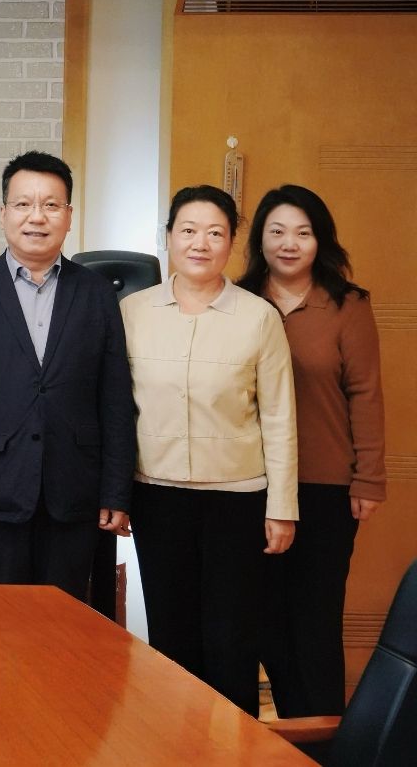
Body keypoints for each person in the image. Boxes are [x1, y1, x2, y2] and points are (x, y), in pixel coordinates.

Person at [121, 184, 297, 716]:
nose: (200, 243)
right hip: (157, 495)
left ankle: (234, 747)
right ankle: (176, 745)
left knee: (231, 640)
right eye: (189, 230)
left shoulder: (259, 317)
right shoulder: (132, 311)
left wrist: (282, 507)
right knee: (171, 636)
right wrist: (115, 495)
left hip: (237, 500)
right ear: (168, 236)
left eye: (215, 233)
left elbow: (279, 417)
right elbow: (115, 410)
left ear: (232, 242)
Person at [0, 151, 136, 600]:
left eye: (51, 205)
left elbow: (116, 399)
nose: (36, 217)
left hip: (76, 490)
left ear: (69, 216)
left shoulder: (97, 294)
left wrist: (116, 490)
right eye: (23, 204)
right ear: (3, 213)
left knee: (66, 622)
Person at [238, 185, 385, 718]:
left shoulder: (348, 305)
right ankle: (271, 734)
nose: (289, 243)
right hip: (251, 485)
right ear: (260, 241)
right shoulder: (238, 302)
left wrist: (368, 478)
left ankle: (320, 737)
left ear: (320, 240)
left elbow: (365, 393)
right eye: (277, 232)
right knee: (259, 617)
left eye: (303, 232)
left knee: (315, 618)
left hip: (325, 487)